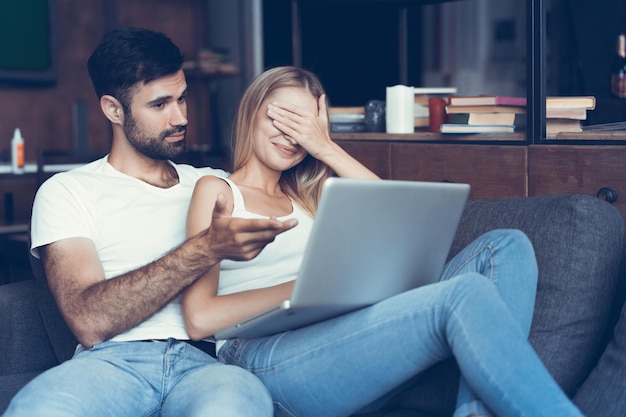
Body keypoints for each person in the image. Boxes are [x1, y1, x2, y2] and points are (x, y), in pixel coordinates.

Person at [181, 66, 586, 417]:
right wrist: (299, 290)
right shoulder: (216, 190)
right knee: (462, 295)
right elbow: (200, 319)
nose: (292, 135)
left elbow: (401, 217)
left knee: (506, 247)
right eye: (282, 118)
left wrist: (326, 147)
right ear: (252, 112)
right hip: (263, 358)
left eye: (305, 127)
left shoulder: (311, 196)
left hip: (343, 337)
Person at [1, 27, 295, 417]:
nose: (180, 117)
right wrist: (205, 248)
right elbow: (90, 320)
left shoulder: (214, 184)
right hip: (110, 364)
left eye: (182, 98)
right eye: (159, 105)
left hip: (207, 364)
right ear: (113, 109)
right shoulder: (68, 191)